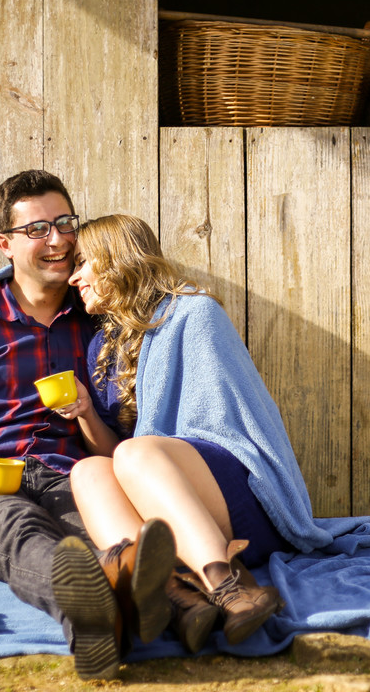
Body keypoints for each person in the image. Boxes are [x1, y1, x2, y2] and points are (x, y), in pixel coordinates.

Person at [0, 170, 175, 680]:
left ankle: (104, 614)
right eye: (37, 230)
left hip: (72, 476)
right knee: (18, 531)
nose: (56, 240)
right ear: (5, 244)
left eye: (63, 223)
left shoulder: (97, 311)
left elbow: (126, 426)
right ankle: (94, 604)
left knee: (113, 545)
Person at [54, 214, 288, 652]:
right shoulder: (102, 347)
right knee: (87, 471)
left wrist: (148, 450)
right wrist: (86, 411)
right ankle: (176, 596)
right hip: (169, 502)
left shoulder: (193, 312)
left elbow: (231, 424)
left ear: (113, 259)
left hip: (238, 495)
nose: (73, 276)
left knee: (135, 455)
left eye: (83, 262)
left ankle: (232, 585)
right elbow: (124, 454)